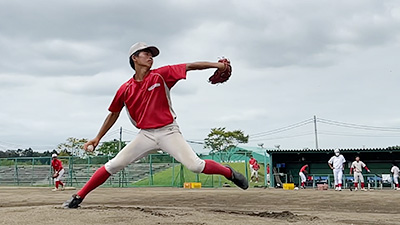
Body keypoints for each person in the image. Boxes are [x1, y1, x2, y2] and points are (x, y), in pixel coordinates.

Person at [63, 42, 248, 208]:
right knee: (113, 165)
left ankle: (228, 173)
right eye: (145, 53)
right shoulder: (125, 88)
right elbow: (113, 113)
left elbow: (190, 66)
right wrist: (97, 138)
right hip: (145, 135)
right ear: (134, 58)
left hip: (169, 131)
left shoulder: (161, 75)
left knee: (196, 166)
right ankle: (78, 197)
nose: (150, 56)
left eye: (152, 54)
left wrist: (218, 66)